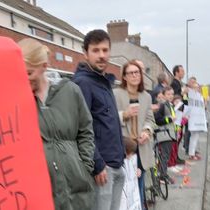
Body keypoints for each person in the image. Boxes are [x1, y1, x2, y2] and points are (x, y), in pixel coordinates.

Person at [18, 38, 95, 210]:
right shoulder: (19, 100)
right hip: (43, 191)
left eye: (29, 73)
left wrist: (85, 167)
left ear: (44, 67)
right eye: (20, 73)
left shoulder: (70, 91)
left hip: (77, 185)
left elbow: (85, 130)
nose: (25, 78)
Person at [72, 29, 125, 210]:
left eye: (105, 50)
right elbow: (80, 128)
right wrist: (97, 164)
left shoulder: (104, 82)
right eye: (96, 50)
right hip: (102, 169)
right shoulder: (83, 83)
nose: (101, 55)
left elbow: (106, 122)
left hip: (116, 163)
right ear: (85, 54)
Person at [113, 60, 155, 209]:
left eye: (137, 72)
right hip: (124, 149)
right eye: (130, 73)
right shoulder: (116, 94)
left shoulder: (146, 96)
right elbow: (109, 118)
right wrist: (124, 114)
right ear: (124, 76)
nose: (134, 75)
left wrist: (146, 131)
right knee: (125, 191)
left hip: (141, 148)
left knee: (139, 188)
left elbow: (150, 118)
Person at [153, 86, 177, 184]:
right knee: (164, 156)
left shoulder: (169, 105)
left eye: (172, 94)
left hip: (169, 134)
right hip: (164, 134)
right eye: (168, 94)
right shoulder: (162, 105)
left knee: (166, 156)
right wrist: (170, 119)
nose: (171, 96)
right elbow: (157, 120)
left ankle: (164, 174)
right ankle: (162, 176)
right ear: (163, 95)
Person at [186, 81, 207, 160]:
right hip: (194, 119)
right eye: (195, 87)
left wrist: (205, 100)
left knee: (195, 137)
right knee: (193, 137)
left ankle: (193, 152)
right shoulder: (191, 95)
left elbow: (204, 108)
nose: (197, 88)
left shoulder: (200, 96)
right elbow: (185, 90)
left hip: (199, 119)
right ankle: (191, 154)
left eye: (198, 87)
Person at [170, 65, 187, 165]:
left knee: (179, 136)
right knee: (177, 136)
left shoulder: (179, 83)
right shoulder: (174, 83)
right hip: (176, 113)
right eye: (182, 71)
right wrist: (182, 92)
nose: (183, 73)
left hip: (181, 112)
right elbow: (175, 96)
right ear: (176, 72)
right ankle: (173, 158)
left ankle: (176, 156)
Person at [119, 136, 142, 210]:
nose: (132, 155)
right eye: (131, 153)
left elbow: (134, 167)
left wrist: (137, 170)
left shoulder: (130, 160)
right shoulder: (118, 162)